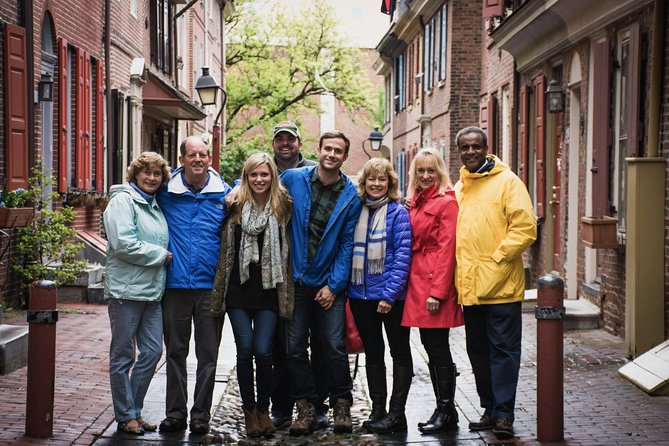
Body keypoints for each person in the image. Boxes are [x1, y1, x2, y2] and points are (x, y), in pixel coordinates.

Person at [453, 126, 537, 440]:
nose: (470, 152)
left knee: (503, 351)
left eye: (476, 146)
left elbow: (525, 228)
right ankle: (489, 409)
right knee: (477, 351)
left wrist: (497, 258)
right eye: (465, 147)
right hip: (471, 288)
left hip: (501, 286)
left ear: (487, 148)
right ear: (458, 151)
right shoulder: (461, 186)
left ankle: (504, 414)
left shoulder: (508, 182)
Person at [281, 131, 362, 436]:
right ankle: (306, 407)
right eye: (327, 148)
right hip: (296, 281)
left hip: (329, 283)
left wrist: (334, 285)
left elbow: (346, 244)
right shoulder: (293, 178)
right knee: (294, 348)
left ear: (344, 156)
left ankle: (341, 403)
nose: (331, 154)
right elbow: (258, 185)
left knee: (333, 347)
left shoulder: (351, 196)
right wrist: (234, 191)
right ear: (318, 150)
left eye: (338, 151)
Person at [211, 153, 294, 439]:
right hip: (238, 292)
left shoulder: (283, 206)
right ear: (246, 178)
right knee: (245, 351)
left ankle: (263, 409)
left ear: (272, 176)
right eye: (253, 175)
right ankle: (249, 412)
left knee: (263, 351)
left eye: (264, 175)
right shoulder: (234, 206)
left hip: (270, 292)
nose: (259, 180)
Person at [157, 136, 231, 435]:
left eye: (203, 155)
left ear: (209, 159)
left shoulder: (224, 194)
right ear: (182, 159)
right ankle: (175, 414)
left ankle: (201, 415)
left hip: (210, 287)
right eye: (192, 155)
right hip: (174, 286)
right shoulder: (165, 192)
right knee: (175, 351)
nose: (198, 159)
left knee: (208, 355)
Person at [104, 152, 172, 436]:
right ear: (135, 175)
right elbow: (123, 244)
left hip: (151, 292)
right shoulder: (122, 201)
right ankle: (125, 415)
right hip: (126, 291)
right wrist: (160, 255)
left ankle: (134, 410)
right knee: (122, 357)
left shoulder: (154, 205)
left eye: (157, 174)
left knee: (153, 352)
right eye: (147, 173)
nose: (152, 178)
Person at [267, 121, 329, 430]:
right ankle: (281, 406)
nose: (285, 144)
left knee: (318, 343)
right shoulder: (264, 170)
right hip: (276, 271)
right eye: (280, 139)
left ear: (299, 143)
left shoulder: (314, 173)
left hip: (311, 270)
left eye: (290, 138)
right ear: (274, 143)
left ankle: (317, 405)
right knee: (283, 345)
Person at [347, 158, 412, 433]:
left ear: (390, 183)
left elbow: (402, 256)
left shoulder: (398, 213)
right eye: (371, 179)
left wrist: (389, 294)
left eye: (381, 179)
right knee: (373, 354)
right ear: (364, 183)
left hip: (390, 298)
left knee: (399, 352)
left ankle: (397, 413)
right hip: (360, 296)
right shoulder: (356, 211)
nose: (376, 184)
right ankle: (377, 409)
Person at [401, 147, 464, 434]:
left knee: (437, 348)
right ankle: (445, 409)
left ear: (440, 172)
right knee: (430, 346)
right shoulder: (415, 202)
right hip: (417, 281)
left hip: (433, 284)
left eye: (431, 170)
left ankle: (446, 410)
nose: (426, 176)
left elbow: (447, 249)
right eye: (421, 171)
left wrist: (438, 292)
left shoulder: (445, 203)